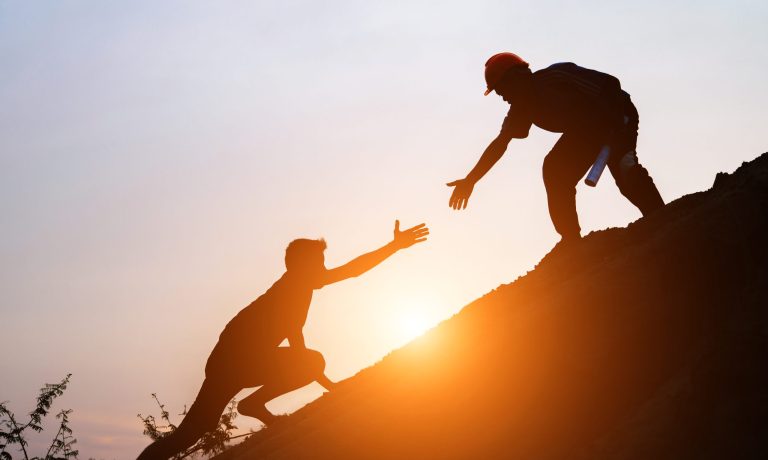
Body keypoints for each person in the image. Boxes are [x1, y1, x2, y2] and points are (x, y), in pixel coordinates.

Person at [137, 220, 429, 460]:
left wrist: (320, 378)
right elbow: (350, 272)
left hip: (234, 360)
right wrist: (393, 247)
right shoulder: (294, 285)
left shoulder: (296, 287)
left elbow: (294, 332)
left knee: (192, 431)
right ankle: (253, 406)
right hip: (232, 361)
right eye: (319, 262)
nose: (324, 268)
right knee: (192, 431)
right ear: (301, 265)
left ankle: (254, 406)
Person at [447, 52, 664, 244]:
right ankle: (570, 239)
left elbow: (609, 85)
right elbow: (500, 144)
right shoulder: (521, 109)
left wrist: (615, 124)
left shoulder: (557, 76)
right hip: (585, 131)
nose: (503, 97)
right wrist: (471, 180)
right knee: (554, 169)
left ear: (516, 78)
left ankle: (662, 218)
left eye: (502, 89)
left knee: (625, 169)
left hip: (617, 114)